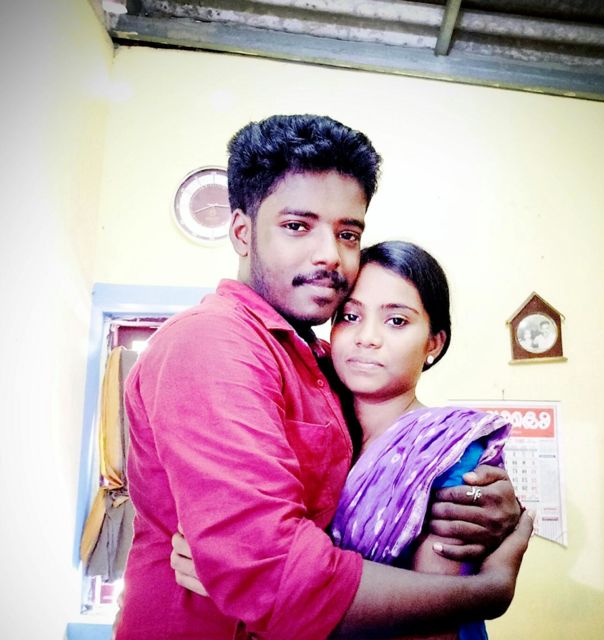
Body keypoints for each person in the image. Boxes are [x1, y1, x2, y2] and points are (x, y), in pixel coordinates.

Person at [116, 114, 531, 640]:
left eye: (347, 233)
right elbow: (273, 575)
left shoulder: (320, 361)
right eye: (297, 226)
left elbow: (398, 468)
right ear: (242, 232)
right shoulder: (210, 343)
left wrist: (491, 505)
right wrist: (487, 592)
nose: (330, 255)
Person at [173, 241, 521, 640]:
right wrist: (241, 568)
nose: (366, 337)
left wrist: (254, 591)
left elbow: (432, 630)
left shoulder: (447, 453)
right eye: (351, 316)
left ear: (434, 342)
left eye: (396, 321)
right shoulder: (310, 427)